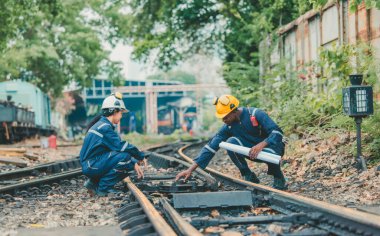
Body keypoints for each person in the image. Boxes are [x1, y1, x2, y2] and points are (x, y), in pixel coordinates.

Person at [175, 94, 287, 190]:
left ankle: (278, 176)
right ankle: (248, 175)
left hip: (273, 149)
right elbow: (211, 147)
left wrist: (262, 144)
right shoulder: (228, 126)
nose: (223, 120)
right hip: (252, 151)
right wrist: (190, 170)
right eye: (221, 118)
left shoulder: (255, 114)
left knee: (271, 152)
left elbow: (277, 132)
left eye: (225, 117)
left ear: (234, 111)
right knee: (230, 143)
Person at [80, 92, 145, 196]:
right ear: (114, 111)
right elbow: (122, 146)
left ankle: (93, 183)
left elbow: (114, 150)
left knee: (127, 160)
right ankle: (104, 189)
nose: (121, 116)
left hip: (91, 164)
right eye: (121, 113)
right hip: (92, 166)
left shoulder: (101, 125)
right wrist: (140, 156)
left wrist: (134, 162)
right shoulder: (105, 128)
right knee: (126, 158)